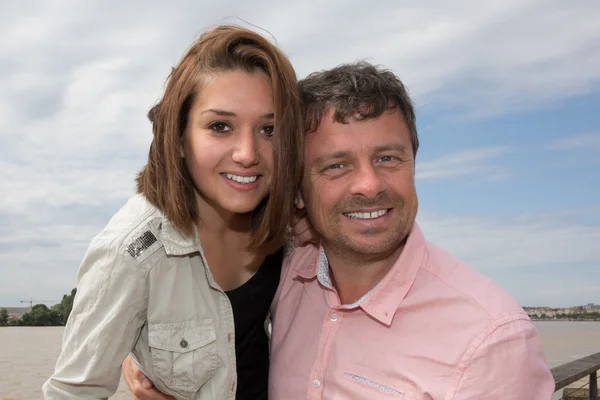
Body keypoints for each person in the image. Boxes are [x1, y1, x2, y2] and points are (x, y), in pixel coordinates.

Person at [123, 61, 556, 399]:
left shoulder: (491, 339)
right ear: (297, 191)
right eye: (336, 166)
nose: (369, 185)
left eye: (389, 158)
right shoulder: (289, 277)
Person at [42, 25, 303, 400]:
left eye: (269, 129)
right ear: (178, 138)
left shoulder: (293, 225)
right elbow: (72, 391)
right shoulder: (131, 253)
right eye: (220, 126)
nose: (248, 153)